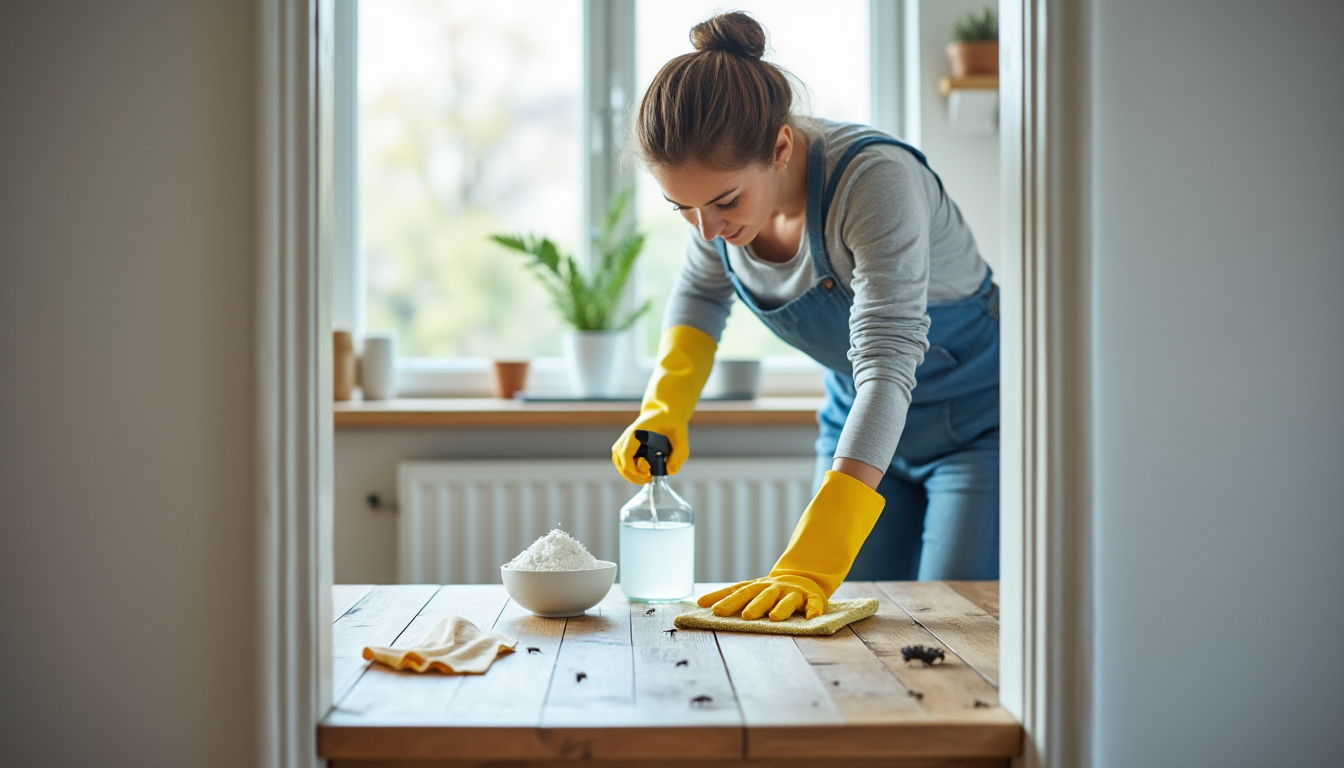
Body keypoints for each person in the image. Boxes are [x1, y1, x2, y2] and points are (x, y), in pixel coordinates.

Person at [611, 12, 999, 622]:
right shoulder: (716, 213)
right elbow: (701, 295)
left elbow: (887, 360)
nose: (706, 230)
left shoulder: (875, 183)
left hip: (975, 430)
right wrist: (664, 406)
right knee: (852, 631)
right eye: (681, 206)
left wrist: (811, 559)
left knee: (952, 622)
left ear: (781, 148)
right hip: (858, 424)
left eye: (724, 201)